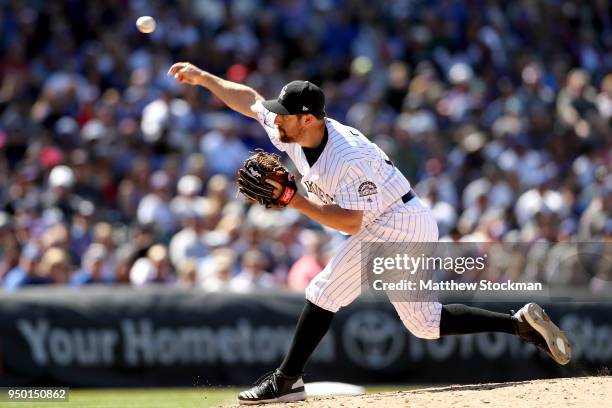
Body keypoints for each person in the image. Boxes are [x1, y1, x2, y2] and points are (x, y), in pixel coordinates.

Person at [168, 62, 572, 404]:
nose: (276, 118)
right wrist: (204, 77)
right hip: (396, 218)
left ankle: (287, 380)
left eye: (285, 114)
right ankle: (518, 324)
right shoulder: (291, 128)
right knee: (424, 323)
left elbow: (349, 223)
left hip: (397, 223)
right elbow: (250, 101)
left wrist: (293, 199)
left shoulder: (349, 157)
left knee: (325, 290)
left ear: (308, 117)